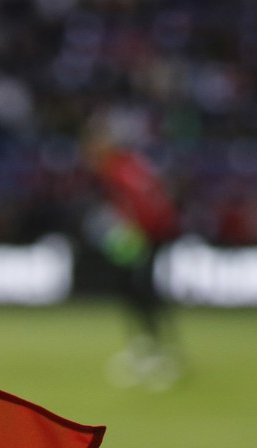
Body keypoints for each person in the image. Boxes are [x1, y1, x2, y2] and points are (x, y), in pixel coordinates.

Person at [82, 123, 184, 389]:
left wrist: (139, 236)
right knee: (133, 290)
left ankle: (158, 353)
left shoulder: (120, 171)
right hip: (145, 236)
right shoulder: (130, 167)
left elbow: (144, 206)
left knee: (141, 291)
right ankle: (147, 348)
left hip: (146, 236)